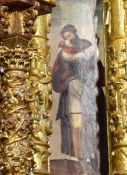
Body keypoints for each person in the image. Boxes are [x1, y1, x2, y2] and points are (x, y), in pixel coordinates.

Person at [51, 24, 97, 165]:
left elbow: (91, 62)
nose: (68, 38)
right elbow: (59, 69)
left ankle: (90, 152)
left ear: (74, 33)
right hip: (72, 87)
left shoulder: (86, 45)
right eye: (65, 37)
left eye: (69, 35)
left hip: (87, 87)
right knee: (75, 121)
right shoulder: (64, 52)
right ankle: (78, 154)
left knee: (88, 121)